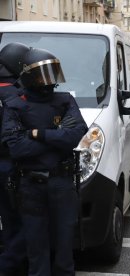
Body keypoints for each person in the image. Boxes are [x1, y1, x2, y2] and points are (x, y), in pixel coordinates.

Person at [1, 47, 88, 276]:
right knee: (36, 252)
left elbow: (75, 134)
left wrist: (38, 133)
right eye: (42, 74)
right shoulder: (15, 105)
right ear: (29, 76)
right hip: (30, 186)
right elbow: (17, 147)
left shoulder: (64, 100)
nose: (48, 80)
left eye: (51, 73)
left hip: (61, 182)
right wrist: (56, 136)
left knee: (64, 250)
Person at [0, 42, 30, 276]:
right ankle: (10, 267)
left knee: (8, 220)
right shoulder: (17, 93)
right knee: (20, 220)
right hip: (12, 164)